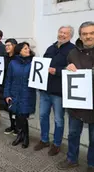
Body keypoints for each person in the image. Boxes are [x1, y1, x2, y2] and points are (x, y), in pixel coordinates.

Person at [57, 21, 94, 172]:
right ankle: (72, 159)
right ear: (80, 36)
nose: (88, 36)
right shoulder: (72, 53)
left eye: (91, 33)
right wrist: (67, 69)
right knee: (73, 134)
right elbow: (67, 76)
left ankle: (92, 163)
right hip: (76, 104)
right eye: (85, 34)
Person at [34, 26, 76, 156]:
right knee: (42, 115)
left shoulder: (72, 50)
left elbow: (74, 71)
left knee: (58, 119)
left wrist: (56, 71)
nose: (62, 35)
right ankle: (44, 139)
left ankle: (57, 144)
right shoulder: (51, 47)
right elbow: (43, 63)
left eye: (65, 33)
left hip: (59, 92)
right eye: (61, 32)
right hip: (45, 89)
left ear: (70, 36)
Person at [4, 42, 36, 148]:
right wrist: (7, 94)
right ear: (19, 51)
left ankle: (25, 136)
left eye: (28, 48)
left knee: (23, 115)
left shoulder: (34, 63)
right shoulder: (13, 63)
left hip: (27, 93)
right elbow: (8, 79)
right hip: (14, 93)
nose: (28, 50)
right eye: (25, 48)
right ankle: (20, 135)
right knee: (17, 115)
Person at [0, 38, 18, 135]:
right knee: (9, 107)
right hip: (5, 85)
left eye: (9, 45)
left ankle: (18, 127)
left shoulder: (18, 58)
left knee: (16, 108)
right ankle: (12, 126)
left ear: (14, 46)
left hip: (15, 87)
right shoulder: (4, 57)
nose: (7, 47)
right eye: (6, 45)